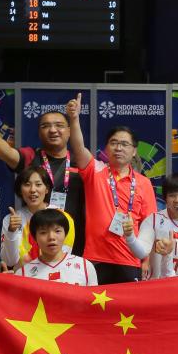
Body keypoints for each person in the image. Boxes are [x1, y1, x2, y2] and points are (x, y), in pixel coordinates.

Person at [65, 92, 157, 284]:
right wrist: (74, 119)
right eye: (113, 143)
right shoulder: (95, 170)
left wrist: (147, 260)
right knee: (94, 312)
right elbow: (78, 147)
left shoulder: (143, 182)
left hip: (130, 258)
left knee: (129, 311)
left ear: (134, 151)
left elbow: (149, 225)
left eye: (124, 144)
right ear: (106, 149)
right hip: (96, 258)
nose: (118, 148)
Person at [0, 108, 86, 255]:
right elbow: (8, 153)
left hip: (74, 242)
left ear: (69, 131)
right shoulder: (30, 156)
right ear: (39, 132)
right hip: (35, 244)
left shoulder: (82, 162)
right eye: (46, 126)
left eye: (59, 125)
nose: (53, 130)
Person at [0, 165, 74, 269]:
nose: (33, 190)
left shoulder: (63, 218)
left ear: (47, 189)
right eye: (27, 184)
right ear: (20, 190)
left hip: (52, 279)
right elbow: (9, 261)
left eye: (38, 184)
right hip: (22, 280)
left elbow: (60, 259)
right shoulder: (11, 219)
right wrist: (12, 232)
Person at [14, 209, 98, 285]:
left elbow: (91, 300)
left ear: (65, 234)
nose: (51, 237)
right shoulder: (23, 274)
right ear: (35, 238)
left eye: (57, 231)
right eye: (43, 232)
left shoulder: (85, 267)